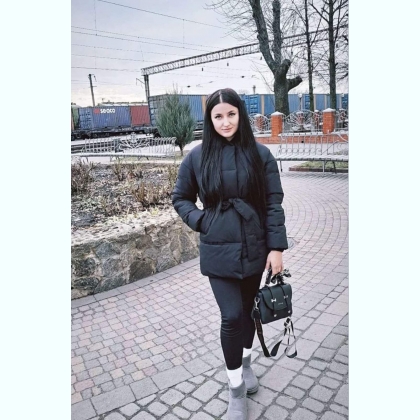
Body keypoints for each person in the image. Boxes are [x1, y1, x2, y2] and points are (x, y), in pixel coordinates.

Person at [172, 88, 288, 420]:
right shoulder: (197, 157)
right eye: (218, 116)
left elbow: (273, 204)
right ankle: (235, 388)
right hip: (217, 249)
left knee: (250, 312)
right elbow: (180, 198)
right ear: (210, 119)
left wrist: (276, 248)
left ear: (240, 114)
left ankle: (246, 363)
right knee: (231, 316)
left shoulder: (260, 155)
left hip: (255, 246)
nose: (226, 122)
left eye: (231, 114)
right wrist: (201, 220)